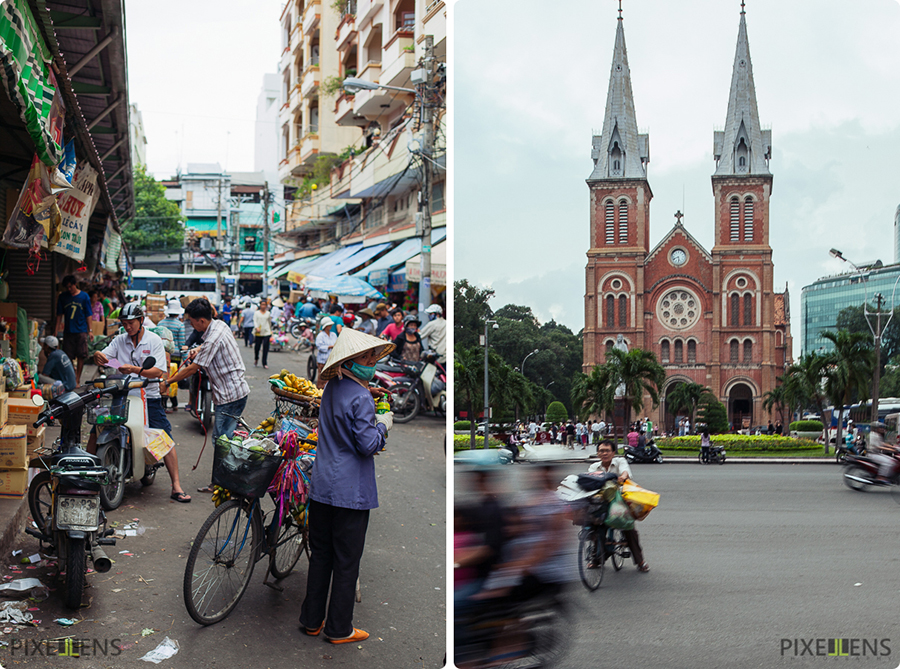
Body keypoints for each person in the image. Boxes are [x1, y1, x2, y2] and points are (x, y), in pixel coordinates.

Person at [298, 327, 395, 644]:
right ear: (352, 362)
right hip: (350, 493)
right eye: (368, 357)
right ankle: (339, 628)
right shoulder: (362, 398)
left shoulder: (333, 390)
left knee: (322, 555)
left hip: (323, 486)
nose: (373, 362)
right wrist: (383, 425)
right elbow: (368, 445)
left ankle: (311, 620)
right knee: (346, 561)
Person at [92, 302, 190, 503]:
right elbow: (106, 356)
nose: (128, 327)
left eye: (131, 323)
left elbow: (158, 371)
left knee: (164, 438)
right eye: (124, 323)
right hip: (122, 394)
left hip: (150, 396)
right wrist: (98, 357)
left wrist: (135, 370)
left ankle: (176, 486)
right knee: (99, 427)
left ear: (140, 321)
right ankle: (86, 473)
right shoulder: (120, 340)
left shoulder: (153, 340)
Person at [162, 298, 250, 493]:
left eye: (192, 321)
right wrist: (197, 349)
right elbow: (206, 349)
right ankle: (228, 478)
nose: (191, 325)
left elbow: (193, 368)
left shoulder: (212, 337)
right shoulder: (219, 325)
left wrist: (168, 382)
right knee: (225, 438)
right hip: (234, 391)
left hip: (230, 395)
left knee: (221, 440)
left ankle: (223, 482)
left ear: (201, 320)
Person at [588, 440, 649, 572]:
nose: (604, 453)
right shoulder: (594, 467)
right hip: (602, 502)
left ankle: (640, 561)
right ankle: (596, 558)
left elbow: (625, 472)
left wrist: (622, 477)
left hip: (620, 500)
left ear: (613, 452)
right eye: (601, 451)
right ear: (598, 453)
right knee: (595, 526)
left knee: (628, 527)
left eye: (607, 451)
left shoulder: (620, 462)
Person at [55, 275, 93, 386]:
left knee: (81, 355)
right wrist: (56, 330)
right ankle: (72, 377)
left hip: (81, 331)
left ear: (75, 284)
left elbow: (89, 314)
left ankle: (77, 379)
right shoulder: (63, 297)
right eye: (67, 287)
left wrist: (90, 330)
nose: (69, 289)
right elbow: (59, 314)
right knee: (68, 356)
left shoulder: (84, 297)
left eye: (70, 286)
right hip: (68, 331)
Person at [315, 320, 338, 389]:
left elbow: (337, 343)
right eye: (329, 325)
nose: (330, 326)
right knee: (321, 377)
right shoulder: (320, 335)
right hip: (322, 359)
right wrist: (330, 347)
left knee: (330, 378)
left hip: (331, 359)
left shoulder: (333, 335)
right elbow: (319, 346)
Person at [253, 300, 273, 368]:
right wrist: (256, 327)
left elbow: (269, 322)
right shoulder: (256, 313)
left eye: (264, 305)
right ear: (260, 305)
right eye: (262, 304)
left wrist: (270, 330)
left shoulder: (268, 313)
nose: (263, 306)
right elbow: (255, 321)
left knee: (265, 348)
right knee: (257, 347)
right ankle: (256, 358)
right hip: (258, 332)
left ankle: (264, 363)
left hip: (266, 331)